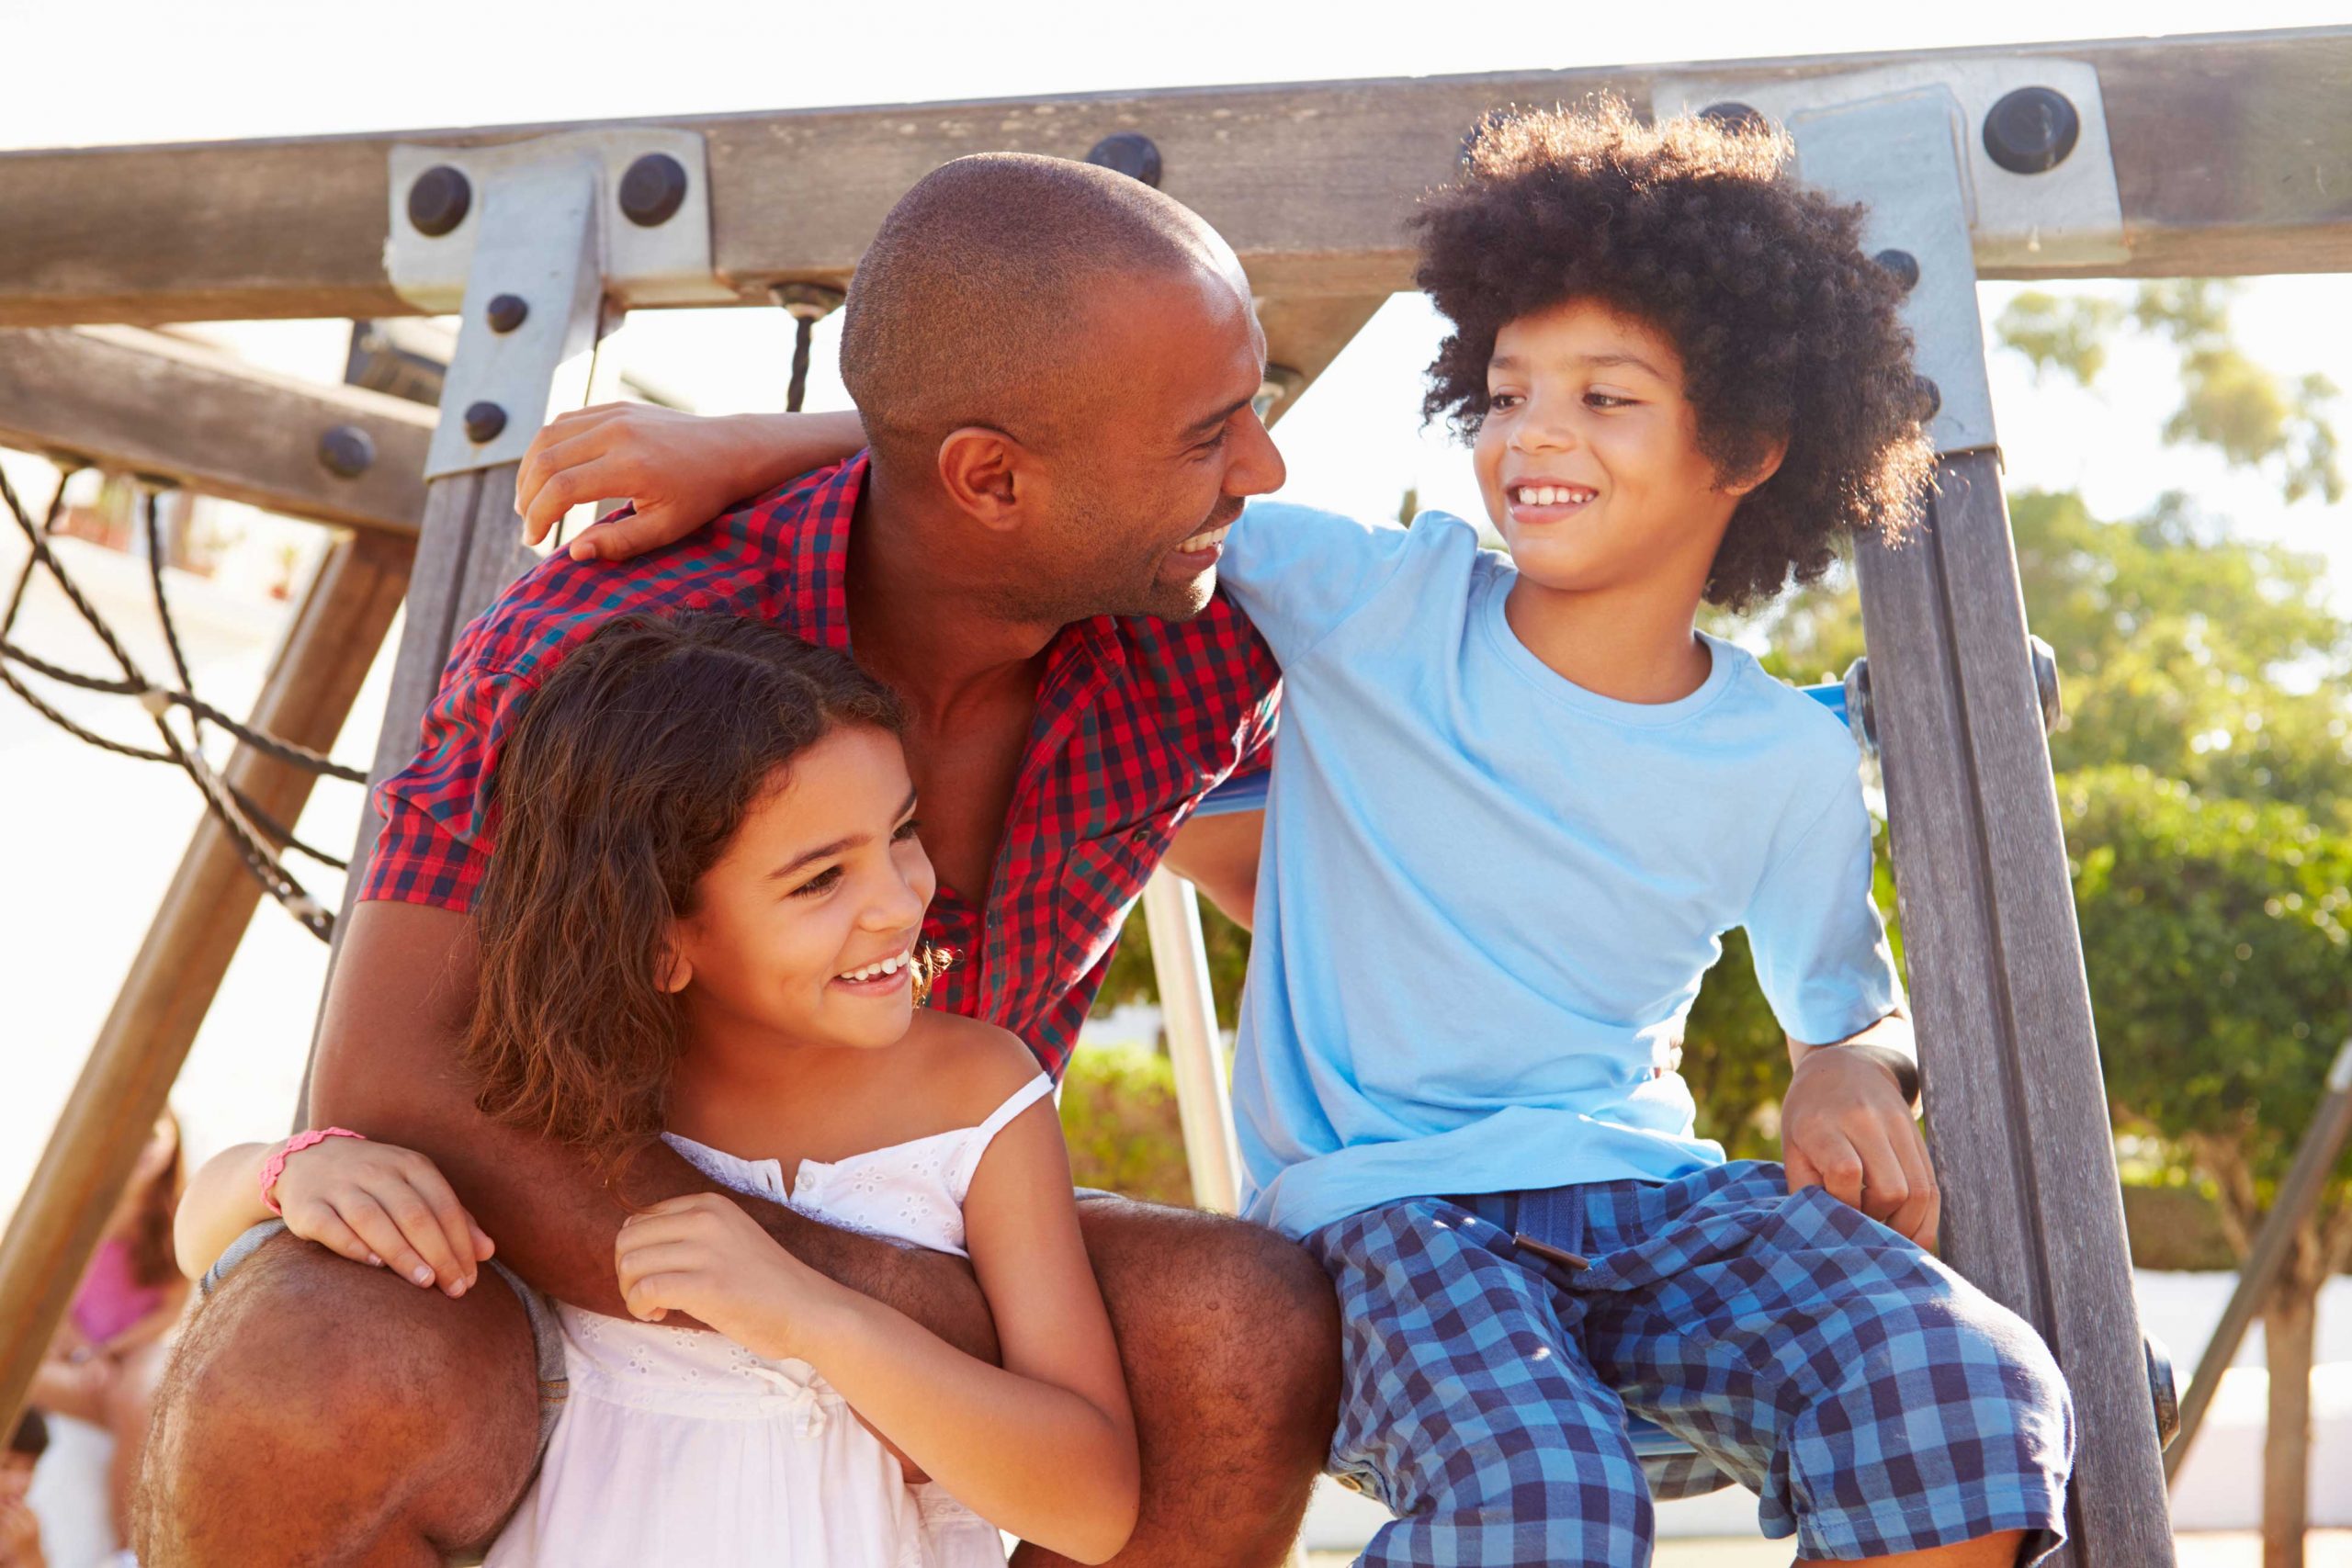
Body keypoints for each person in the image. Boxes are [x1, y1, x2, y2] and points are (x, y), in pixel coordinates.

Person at [540, 105, 2075, 1565]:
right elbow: (1020, 459)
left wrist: (1845, 1061)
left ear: (1747, 451)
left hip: (1643, 1192)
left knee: (1960, 1383)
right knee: (1545, 1488)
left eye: (1606, 397)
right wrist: (739, 439)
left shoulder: (1787, 755)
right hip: (1389, 1220)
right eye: (1512, 389)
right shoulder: (1375, 602)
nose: (1537, 434)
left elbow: (1844, 996)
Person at [139, 153, 1334, 1568]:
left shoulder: (1199, 629)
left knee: (1242, 1328)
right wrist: (894, 1306)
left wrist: (782, 433)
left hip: (958, 1281)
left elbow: (1553, 586)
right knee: (310, 1352)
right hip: (567, 1268)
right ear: (989, 475)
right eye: (1210, 434)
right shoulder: (618, 631)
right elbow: (389, 1082)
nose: (1262, 465)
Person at [174, 613, 1138, 1565]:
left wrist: (814, 1316)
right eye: (818, 882)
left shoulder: (979, 1092)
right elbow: (201, 1242)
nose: (897, 900)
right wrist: (287, 1170)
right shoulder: (570, 1100)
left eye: (902, 832)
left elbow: (1091, 1507)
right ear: (659, 940)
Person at [28, 1111, 186, 1546]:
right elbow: (57, 1295)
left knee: (135, 1399)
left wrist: (110, 1353)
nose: (142, 1145)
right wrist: (81, 1352)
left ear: (173, 1140)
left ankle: (129, 1545)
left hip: (140, 1347)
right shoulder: (79, 1206)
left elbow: (173, 1307)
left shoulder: (177, 1211)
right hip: (75, 1344)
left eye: (153, 1133)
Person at [1, 1412, 51, 1568]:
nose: (19, 1484)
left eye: (29, 1468)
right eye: (5, 1466)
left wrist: (31, 1557)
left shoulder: (24, 1532)